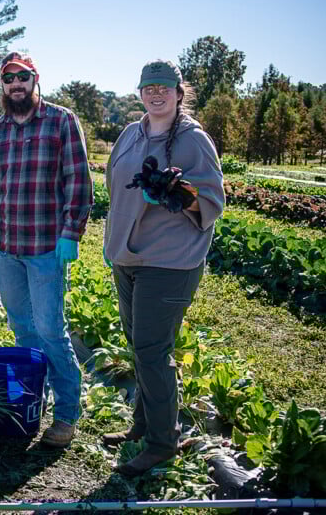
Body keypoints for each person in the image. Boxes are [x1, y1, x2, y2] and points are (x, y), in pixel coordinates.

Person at [101, 59, 224, 476]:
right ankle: (143, 425)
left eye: (163, 88)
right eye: (148, 87)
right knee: (140, 346)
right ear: (139, 93)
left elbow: (212, 202)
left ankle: (161, 443)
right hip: (128, 255)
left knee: (153, 352)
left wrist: (179, 193)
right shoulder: (131, 133)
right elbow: (112, 186)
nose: (155, 94)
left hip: (169, 262)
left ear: (178, 92)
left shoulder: (194, 140)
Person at [0, 51, 93, 448]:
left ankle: (67, 414)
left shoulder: (61, 121)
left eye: (23, 77)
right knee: (21, 326)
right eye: (8, 79)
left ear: (35, 79)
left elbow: (79, 180)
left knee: (49, 329)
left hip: (45, 249)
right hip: (8, 248)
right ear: (2, 86)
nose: (16, 85)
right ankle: (33, 397)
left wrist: (70, 233)